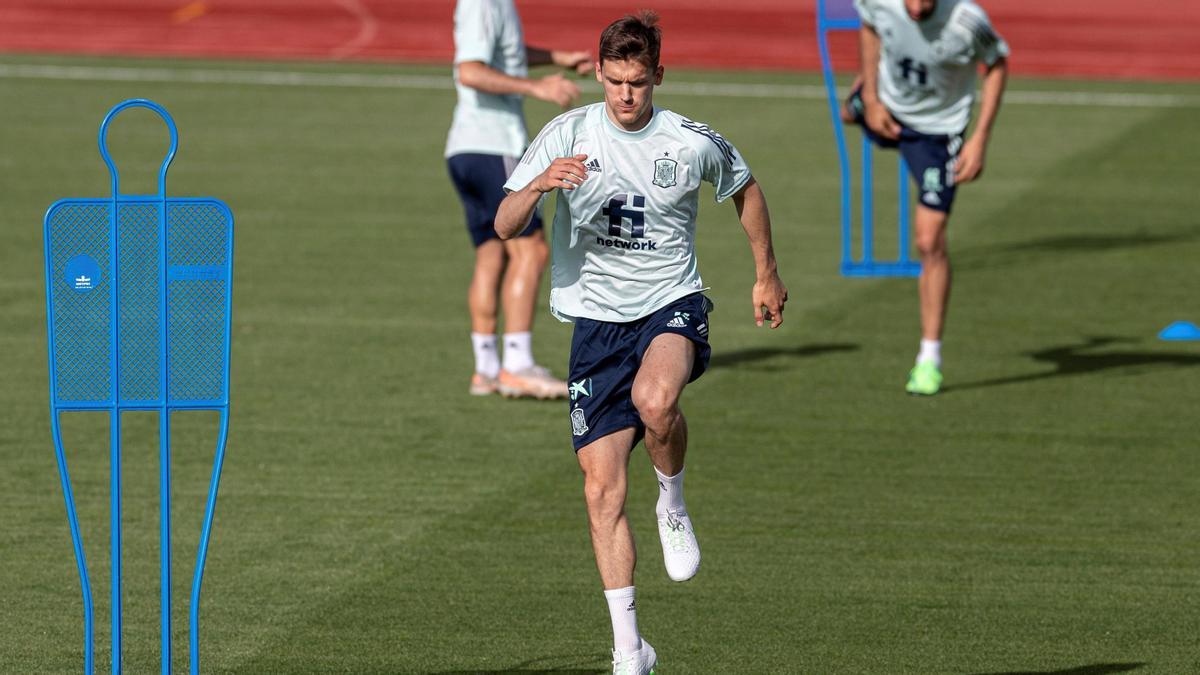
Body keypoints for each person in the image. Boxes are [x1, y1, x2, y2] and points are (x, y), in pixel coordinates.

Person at [495, 12, 788, 674]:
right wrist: (541, 183)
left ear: (659, 74)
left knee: (656, 402)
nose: (626, 96)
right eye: (615, 82)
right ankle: (631, 651)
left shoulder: (689, 141)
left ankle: (673, 499)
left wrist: (766, 273)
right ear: (598, 72)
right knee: (600, 491)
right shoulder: (566, 133)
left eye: (638, 83)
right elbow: (504, 222)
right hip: (595, 328)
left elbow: (745, 190)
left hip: (670, 304)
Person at [843, 0, 1009, 395]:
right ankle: (868, 91)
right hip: (889, 105)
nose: (916, 7)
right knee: (846, 111)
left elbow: (998, 62)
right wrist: (873, 96)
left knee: (928, 240)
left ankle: (928, 359)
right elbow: (869, 25)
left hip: (939, 132)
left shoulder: (968, 21)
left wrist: (980, 139)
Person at [446, 0, 593, 399]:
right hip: (494, 144)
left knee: (491, 253)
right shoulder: (483, 4)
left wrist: (556, 58)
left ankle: (487, 368)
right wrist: (536, 87)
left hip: (466, 148)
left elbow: (503, 56)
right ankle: (518, 363)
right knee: (531, 249)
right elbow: (470, 71)